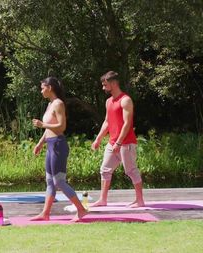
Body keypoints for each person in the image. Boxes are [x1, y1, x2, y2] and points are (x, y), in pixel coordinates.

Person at [30, 77, 87, 222]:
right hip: (50, 144)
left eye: (42, 88)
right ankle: (45, 213)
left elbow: (61, 127)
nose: (41, 91)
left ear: (50, 87)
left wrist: (42, 125)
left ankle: (81, 210)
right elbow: (49, 127)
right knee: (50, 181)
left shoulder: (59, 104)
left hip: (58, 145)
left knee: (59, 182)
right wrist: (40, 143)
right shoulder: (50, 105)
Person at [90, 71, 145, 208]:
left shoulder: (125, 100)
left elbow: (127, 124)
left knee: (131, 171)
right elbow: (107, 122)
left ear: (113, 83)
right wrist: (98, 139)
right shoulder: (108, 101)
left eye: (105, 85)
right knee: (105, 170)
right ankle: (103, 200)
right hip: (112, 143)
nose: (103, 88)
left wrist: (119, 142)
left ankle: (140, 200)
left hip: (126, 143)